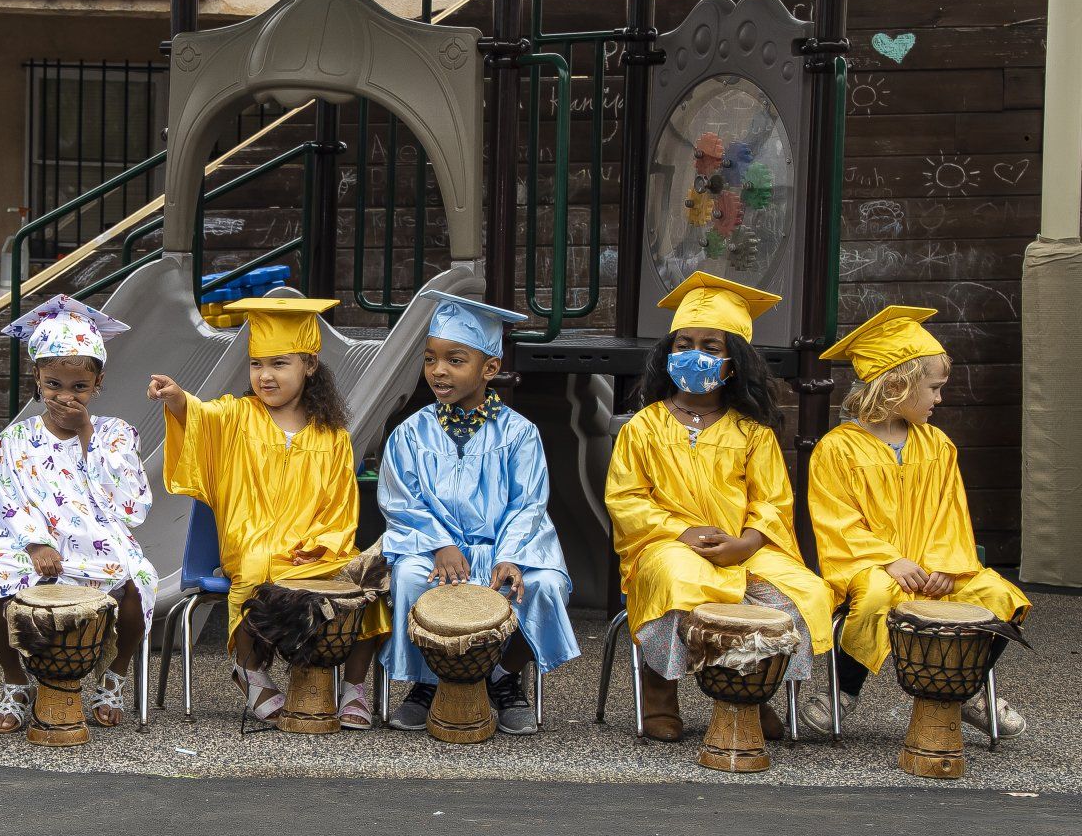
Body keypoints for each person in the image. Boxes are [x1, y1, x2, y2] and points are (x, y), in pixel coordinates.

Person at [604, 272, 832, 742]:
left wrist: (747, 542)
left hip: (743, 545)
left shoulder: (752, 432)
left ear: (733, 363)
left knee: (801, 593)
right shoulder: (643, 428)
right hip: (665, 543)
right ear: (668, 353)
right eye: (683, 344)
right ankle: (660, 693)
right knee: (676, 579)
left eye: (711, 347)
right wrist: (680, 532)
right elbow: (626, 498)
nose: (695, 355)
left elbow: (773, 500)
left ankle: (749, 692)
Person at [148, 298, 390, 729]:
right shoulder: (238, 417)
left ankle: (354, 686)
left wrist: (320, 544)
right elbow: (201, 415)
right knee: (258, 565)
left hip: (314, 548)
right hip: (252, 541)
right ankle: (251, 672)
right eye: (256, 363)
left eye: (280, 363)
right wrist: (178, 399)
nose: (265, 375)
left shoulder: (332, 437)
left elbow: (340, 506)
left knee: (365, 577)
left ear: (309, 365)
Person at [804, 305, 1031, 735]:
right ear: (896, 385)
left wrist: (947, 564)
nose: (939, 399)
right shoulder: (837, 449)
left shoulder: (937, 445)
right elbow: (836, 520)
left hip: (935, 567)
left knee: (1000, 595)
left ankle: (966, 690)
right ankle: (842, 693)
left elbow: (951, 512)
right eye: (934, 388)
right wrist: (889, 560)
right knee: (874, 596)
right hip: (872, 566)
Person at [377, 293, 579, 735]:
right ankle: (429, 681)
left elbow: (529, 503)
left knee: (542, 586)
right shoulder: (410, 433)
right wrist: (439, 544)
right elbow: (400, 501)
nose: (439, 370)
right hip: (434, 550)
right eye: (430, 359)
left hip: (506, 548)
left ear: (489, 368)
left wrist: (510, 556)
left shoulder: (519, 433)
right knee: (410, 578)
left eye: (455, 360)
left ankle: (502, 676)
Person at [0, 295, 155, 734]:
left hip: (97, 537)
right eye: (53, 384)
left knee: (137, 582)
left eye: (79, 387)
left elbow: (131, 505)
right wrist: (36, 542)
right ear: (36, 376)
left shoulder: (116, 433)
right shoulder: (16, 438)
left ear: (98, 383)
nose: (65, 396)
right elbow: (7, 495)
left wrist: (87, 432)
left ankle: (114, 677)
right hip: (26, 539)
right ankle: (15, 682)